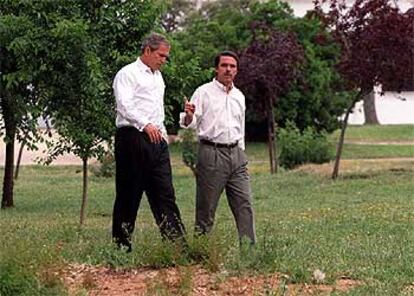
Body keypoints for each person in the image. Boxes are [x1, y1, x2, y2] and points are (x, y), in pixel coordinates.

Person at [112, 33, 186, 252]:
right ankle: (121, 250)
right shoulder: (128, 73)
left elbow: (157, 110)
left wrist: (161, 134)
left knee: (165, 194)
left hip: (157, 140)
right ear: (147, 51)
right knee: (129, 195)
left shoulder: (158, 77)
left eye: (166, 56)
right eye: (161, 55)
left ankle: (177, 249)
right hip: (133, 137)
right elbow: (123, 105)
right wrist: (145, 125)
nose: (164, 60)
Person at [180, 51, 256, 244]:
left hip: (237, 156)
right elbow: (190, 121)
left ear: (236, 70)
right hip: (211, 153)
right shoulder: (203, 92)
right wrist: (188, 115)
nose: (228, 69)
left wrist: (242, 154)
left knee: (244, 204)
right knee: (207, 207)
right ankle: (201, 251)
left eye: (232, 66)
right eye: (224, 65)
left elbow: (241, 127)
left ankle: (249, 252)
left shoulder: (239, 96)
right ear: (216, 69)